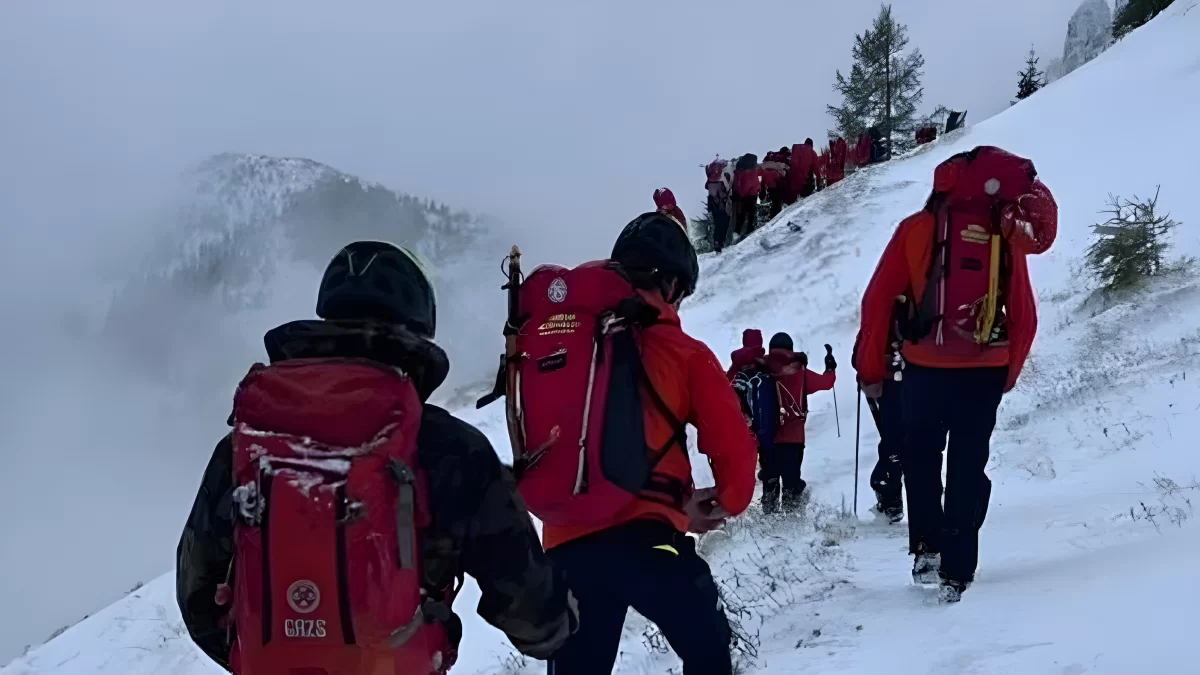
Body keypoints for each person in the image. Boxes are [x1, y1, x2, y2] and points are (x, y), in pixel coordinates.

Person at [177, 241, 577, 674]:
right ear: (419, 327)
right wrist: (562, 620)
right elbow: (533, 614)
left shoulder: (246, 443)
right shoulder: (449, 449)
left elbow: (196, 593)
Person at [544, 213, 758, 675]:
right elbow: (734, 449)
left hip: (566, 546)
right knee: (708, 648)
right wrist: (722, 502)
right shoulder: (684, 354)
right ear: (670, 285)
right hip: (646, 542)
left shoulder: (568, 346)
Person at [854, 146, 1058, 602]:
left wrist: (870, 369)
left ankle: (927, 549)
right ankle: (959, 567)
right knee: (969, 461)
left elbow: (877, 301)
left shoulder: (916, 229)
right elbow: (1022, 310)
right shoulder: (1001, 235)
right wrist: (1008, 370)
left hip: (925, 368)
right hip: (985, 369)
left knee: (921, 457)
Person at [757, 332, 836, 512]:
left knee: (770, 479)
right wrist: (830, 368)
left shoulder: (761, 369)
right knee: (791, 480)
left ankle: (767, 519)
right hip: (794, 438)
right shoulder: (801, 372)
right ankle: (792, 522)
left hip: (767, 437)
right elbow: (826, 383)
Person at [704, 157, 733, 253]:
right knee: (724, 222)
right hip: (722, 204)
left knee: (717, 224)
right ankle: (721, 243)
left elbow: (706, 187)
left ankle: (716, 242)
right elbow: (727, 189)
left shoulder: (710, 178)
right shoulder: (723, 177)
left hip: (713, 204)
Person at [731, 153, 760, 238]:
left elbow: (738, 185)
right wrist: (759, 191)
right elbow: (757, 183)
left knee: (741, 215)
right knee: (751, 214)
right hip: (753, 195)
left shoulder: (740, 172)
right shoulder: (754, 171)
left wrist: (738, 195)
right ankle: (750, 231)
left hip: (743, 196)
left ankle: (736, 233)